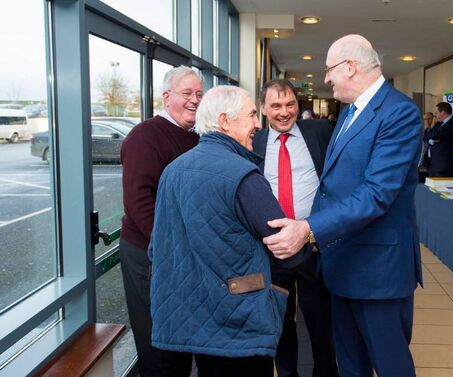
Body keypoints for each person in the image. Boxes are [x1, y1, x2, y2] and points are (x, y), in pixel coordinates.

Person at [263, 34, 422, 377]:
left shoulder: (399, 112)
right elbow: (332, 187)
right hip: (342, 263)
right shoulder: (350, 112)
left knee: (390, 363)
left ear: (350, 67)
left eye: (329, 70)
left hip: (377, 270)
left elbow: (377, 193)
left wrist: (309, 227)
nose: (325, 79)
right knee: (350, 364)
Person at [149, 85, 309, 377]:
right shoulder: (243, 176)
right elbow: (286, 246)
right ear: (225, 121)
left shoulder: (173, 170)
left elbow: (158, 246)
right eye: (251, 115)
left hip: (195, 315)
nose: (258, 124)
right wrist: (309, 239)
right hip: (239, 317)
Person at [119, 65, 202, 376]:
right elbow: (139, 201)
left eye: (198, 94)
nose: (194, 100)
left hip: (179, 255)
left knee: (179, 341)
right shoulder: (146, 136)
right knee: (158, 347)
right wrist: (171, 248)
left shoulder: (195, 136)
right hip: (150, 256)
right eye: (186, 93)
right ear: (167, 97)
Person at [253, 79, 338, 377]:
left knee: (320, 321)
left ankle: (326, 372)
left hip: (314, 245)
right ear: (264, 109)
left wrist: (323, 232)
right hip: (273, 250)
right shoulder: (253, 142)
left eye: (290, 104)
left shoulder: (320, 132)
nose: (284, 112)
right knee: (280, 322)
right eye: (276, 105)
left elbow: (337, 185)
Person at [423, 102, 453, 177]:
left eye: (436, 112)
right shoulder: (439, 124)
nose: (435, 115)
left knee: (442, 188)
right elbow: (425, 136)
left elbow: (435, 136)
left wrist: (431, 137)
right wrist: (431, 140)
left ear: (442, 112)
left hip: (443, 166)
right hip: (433, 164)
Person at [418, 111, 435, 182]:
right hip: (424, 163)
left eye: (429, 119)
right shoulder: (424, 132)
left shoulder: (436, 131)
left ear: (433, 119)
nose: (427, 121)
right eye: (425, 119)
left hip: (434, 162)